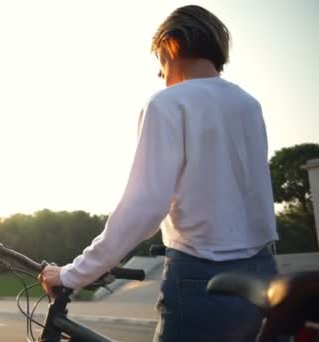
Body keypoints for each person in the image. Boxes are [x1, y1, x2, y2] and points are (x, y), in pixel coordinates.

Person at [38, 5, 279, 342]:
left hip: (201, 276)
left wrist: (73, 273)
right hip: (265, 274)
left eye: (160, 62)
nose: (160, 73)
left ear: (171, 45)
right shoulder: (249, 104)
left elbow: (145, 207)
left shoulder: (168, 103)